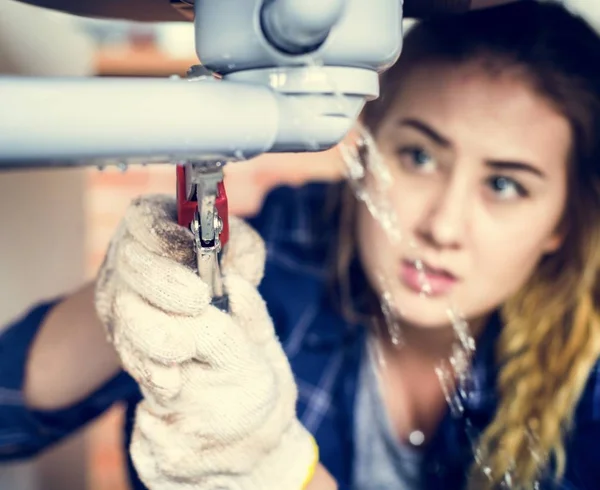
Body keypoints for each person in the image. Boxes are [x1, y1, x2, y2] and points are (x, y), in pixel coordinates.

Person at [2, 1, 600, 489]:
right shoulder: (284, 249)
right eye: (418, 156)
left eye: (504, 185)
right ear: (368, 145)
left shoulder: (588, 373)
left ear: (562, 223)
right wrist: (115, 304)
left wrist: (290, 476)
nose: (442, 226)